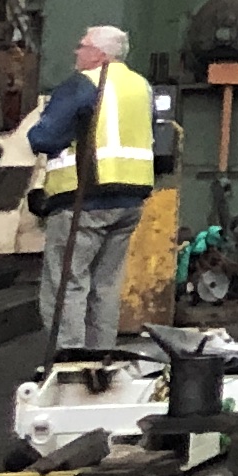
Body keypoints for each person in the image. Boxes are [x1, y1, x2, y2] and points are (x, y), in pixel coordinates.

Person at [30, 24, 155, 356]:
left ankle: (70, 360)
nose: (77, 51)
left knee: (67, 284)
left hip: (83, 200)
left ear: (100, 54)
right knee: (106, 285)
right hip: (130, 201)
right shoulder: (141, 86)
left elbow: (44, 138)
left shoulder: (82, 85)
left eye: (82, 46)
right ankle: (101, 358)